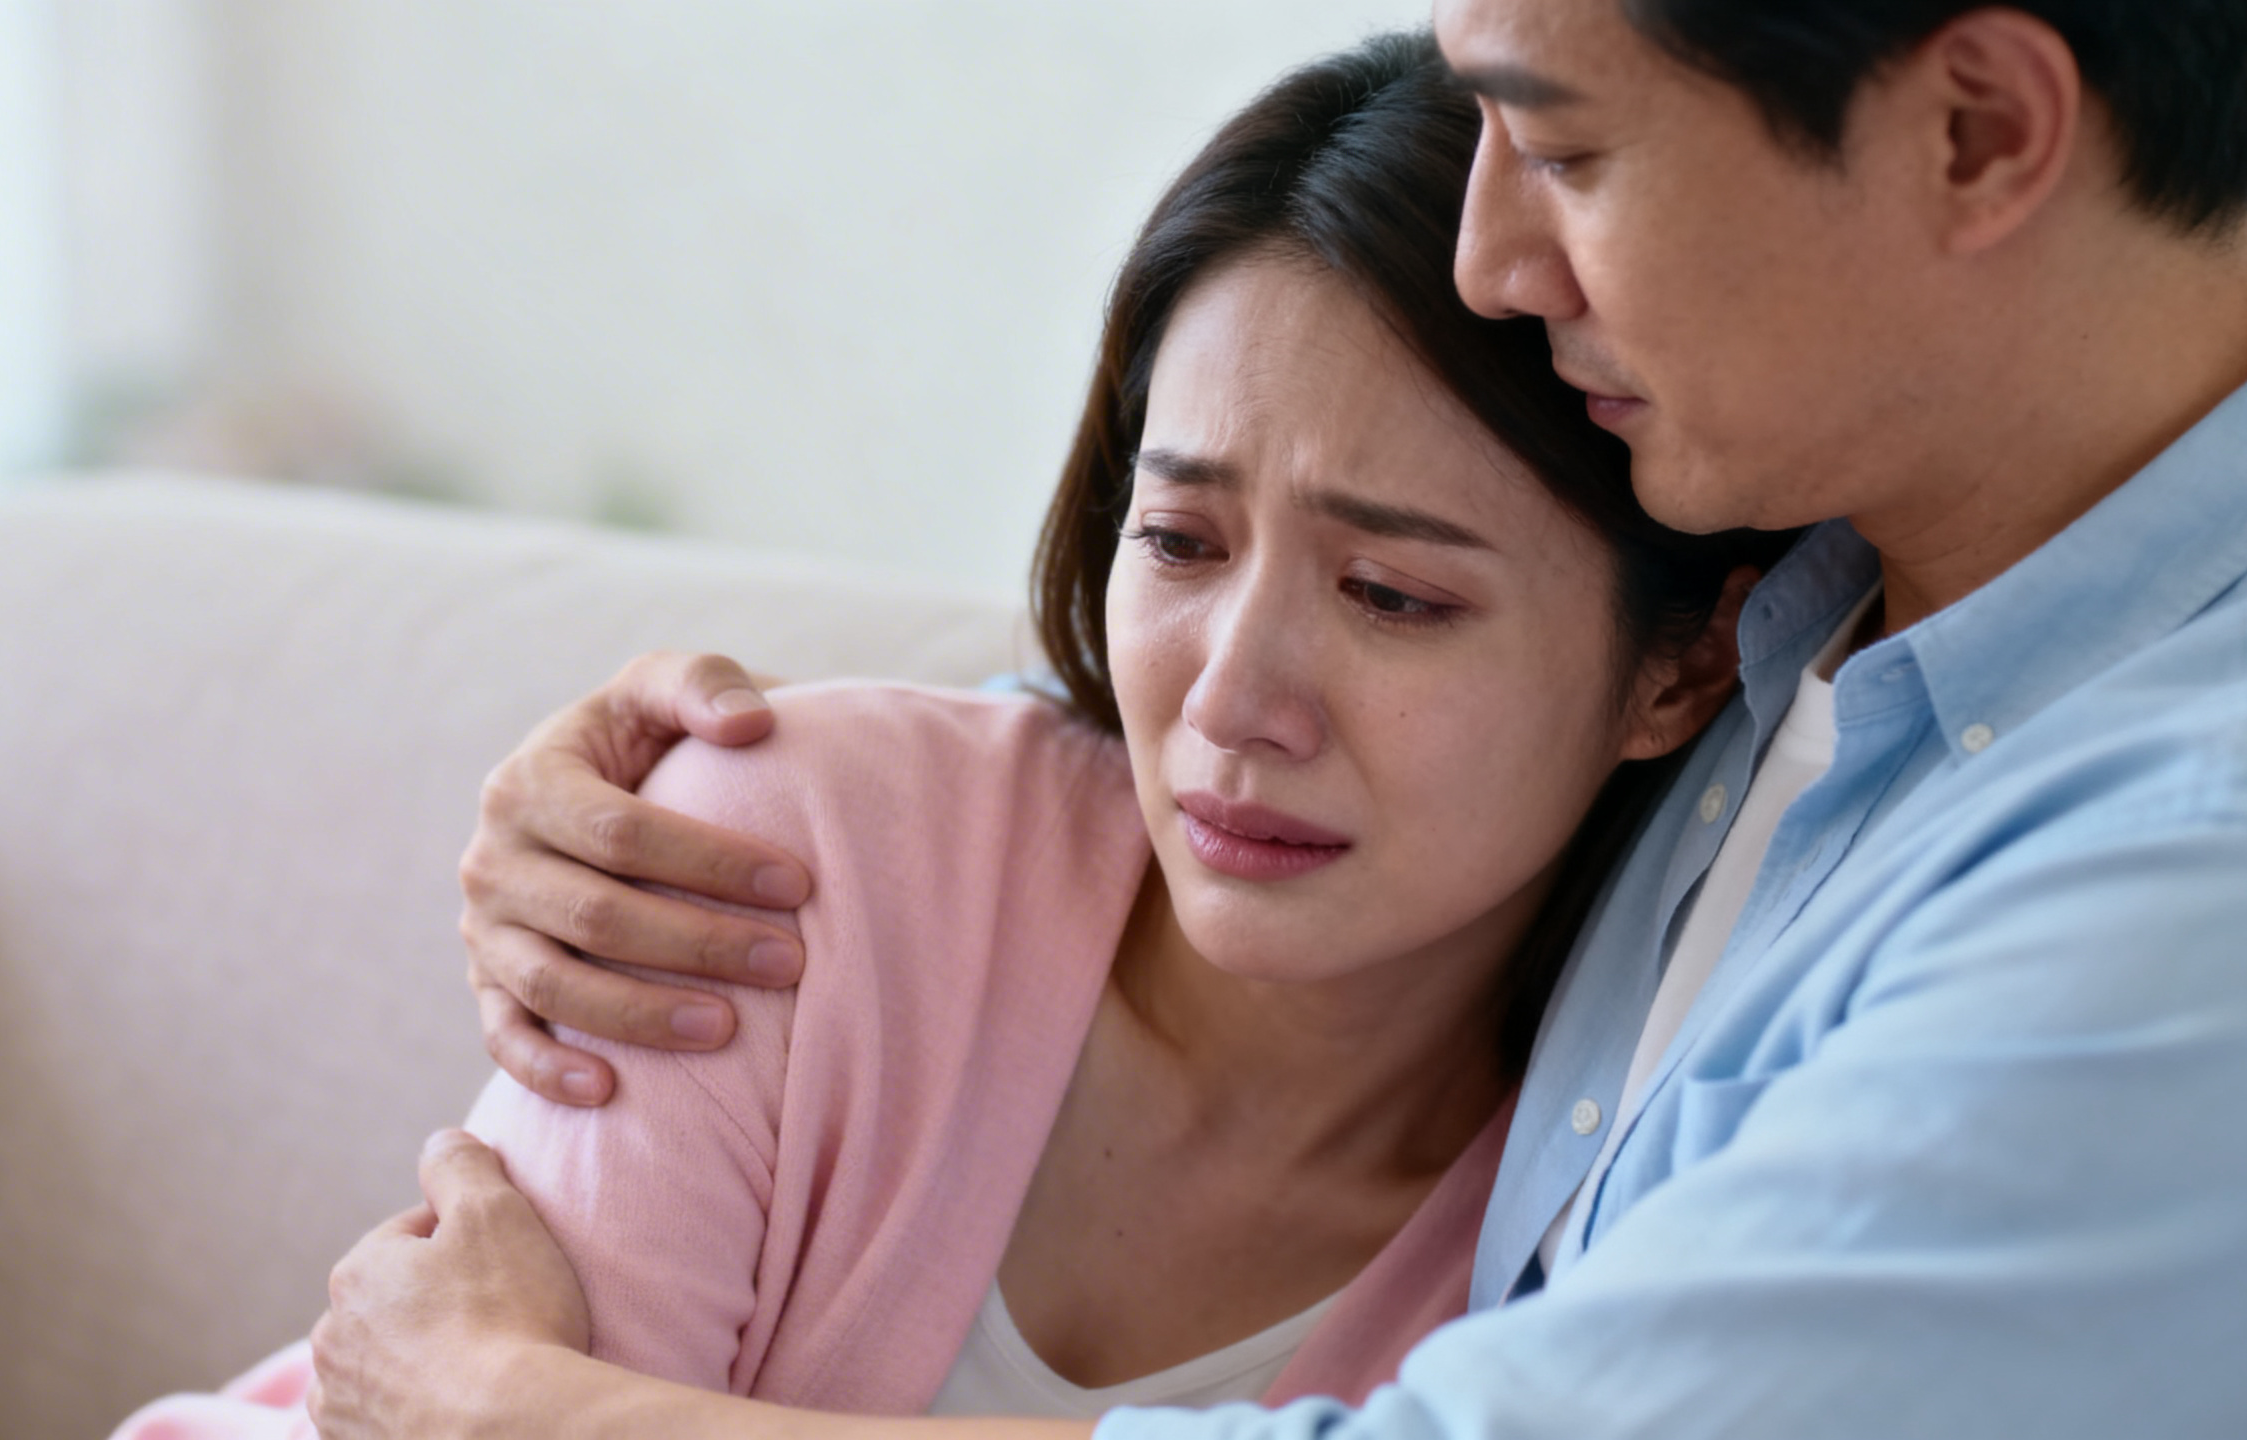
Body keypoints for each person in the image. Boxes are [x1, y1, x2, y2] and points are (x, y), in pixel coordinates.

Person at [312, 0, 2247, 1436]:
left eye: (1569, 152)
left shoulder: (2183, 881)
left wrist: (507, 1409)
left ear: (1974, 134)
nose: (1496, 260)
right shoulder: (1831, 595)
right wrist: (792, 801)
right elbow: (1242, 726)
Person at [111, 33, 1765, 1440]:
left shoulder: (1595, 1235)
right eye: (1179, 543)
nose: (1234, 697)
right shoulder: (778, 860)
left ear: (1675, 675)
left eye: (1394, 594)